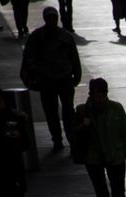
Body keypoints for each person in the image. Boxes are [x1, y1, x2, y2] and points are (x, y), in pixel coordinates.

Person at [19, 7, 81, 151]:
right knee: (51, 112)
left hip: (64, 79)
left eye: (54, 17)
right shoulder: (37, 37)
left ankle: (70, 139)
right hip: (47, 81)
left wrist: (76, 77)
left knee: (68, 112)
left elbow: (74, 58)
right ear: (45, 19)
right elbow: (29, 58)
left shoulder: (65, 36)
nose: (52, 20)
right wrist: (37, 72)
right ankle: (57, 139)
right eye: (49, 18)